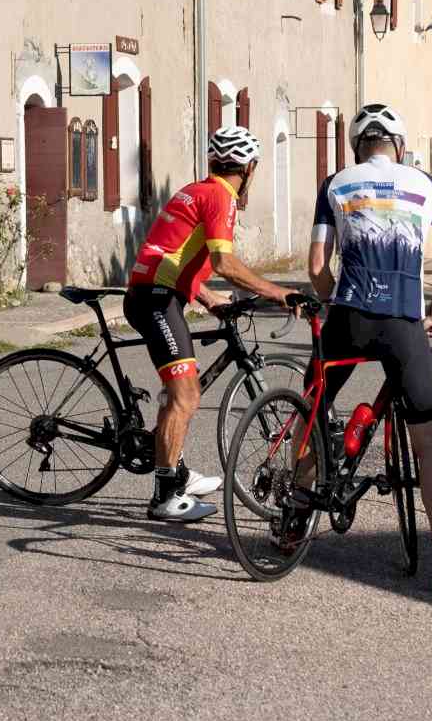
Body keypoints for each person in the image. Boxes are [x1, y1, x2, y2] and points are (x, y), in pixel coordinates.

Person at [306, 103, 432, 595]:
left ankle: (293, 523)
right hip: (403, 323)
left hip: (349, 317)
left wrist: (331, 302)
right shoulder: (426, 184)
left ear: (356, 146)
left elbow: (317, 266)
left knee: (312, 411)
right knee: (429, 445)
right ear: (400, 146)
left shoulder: (336, 183)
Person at [124, 126, 314, 522]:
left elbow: (172, 255)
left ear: (213, 162)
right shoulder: (220, 197)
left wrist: (208, 297)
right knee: (186, 396)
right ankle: (164, 497)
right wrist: (279, 293)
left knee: (178, 392)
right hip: (157, 301)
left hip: (155, 294)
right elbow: (224, 263)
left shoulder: (194, 190)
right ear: (249, 168)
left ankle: (176, 471)